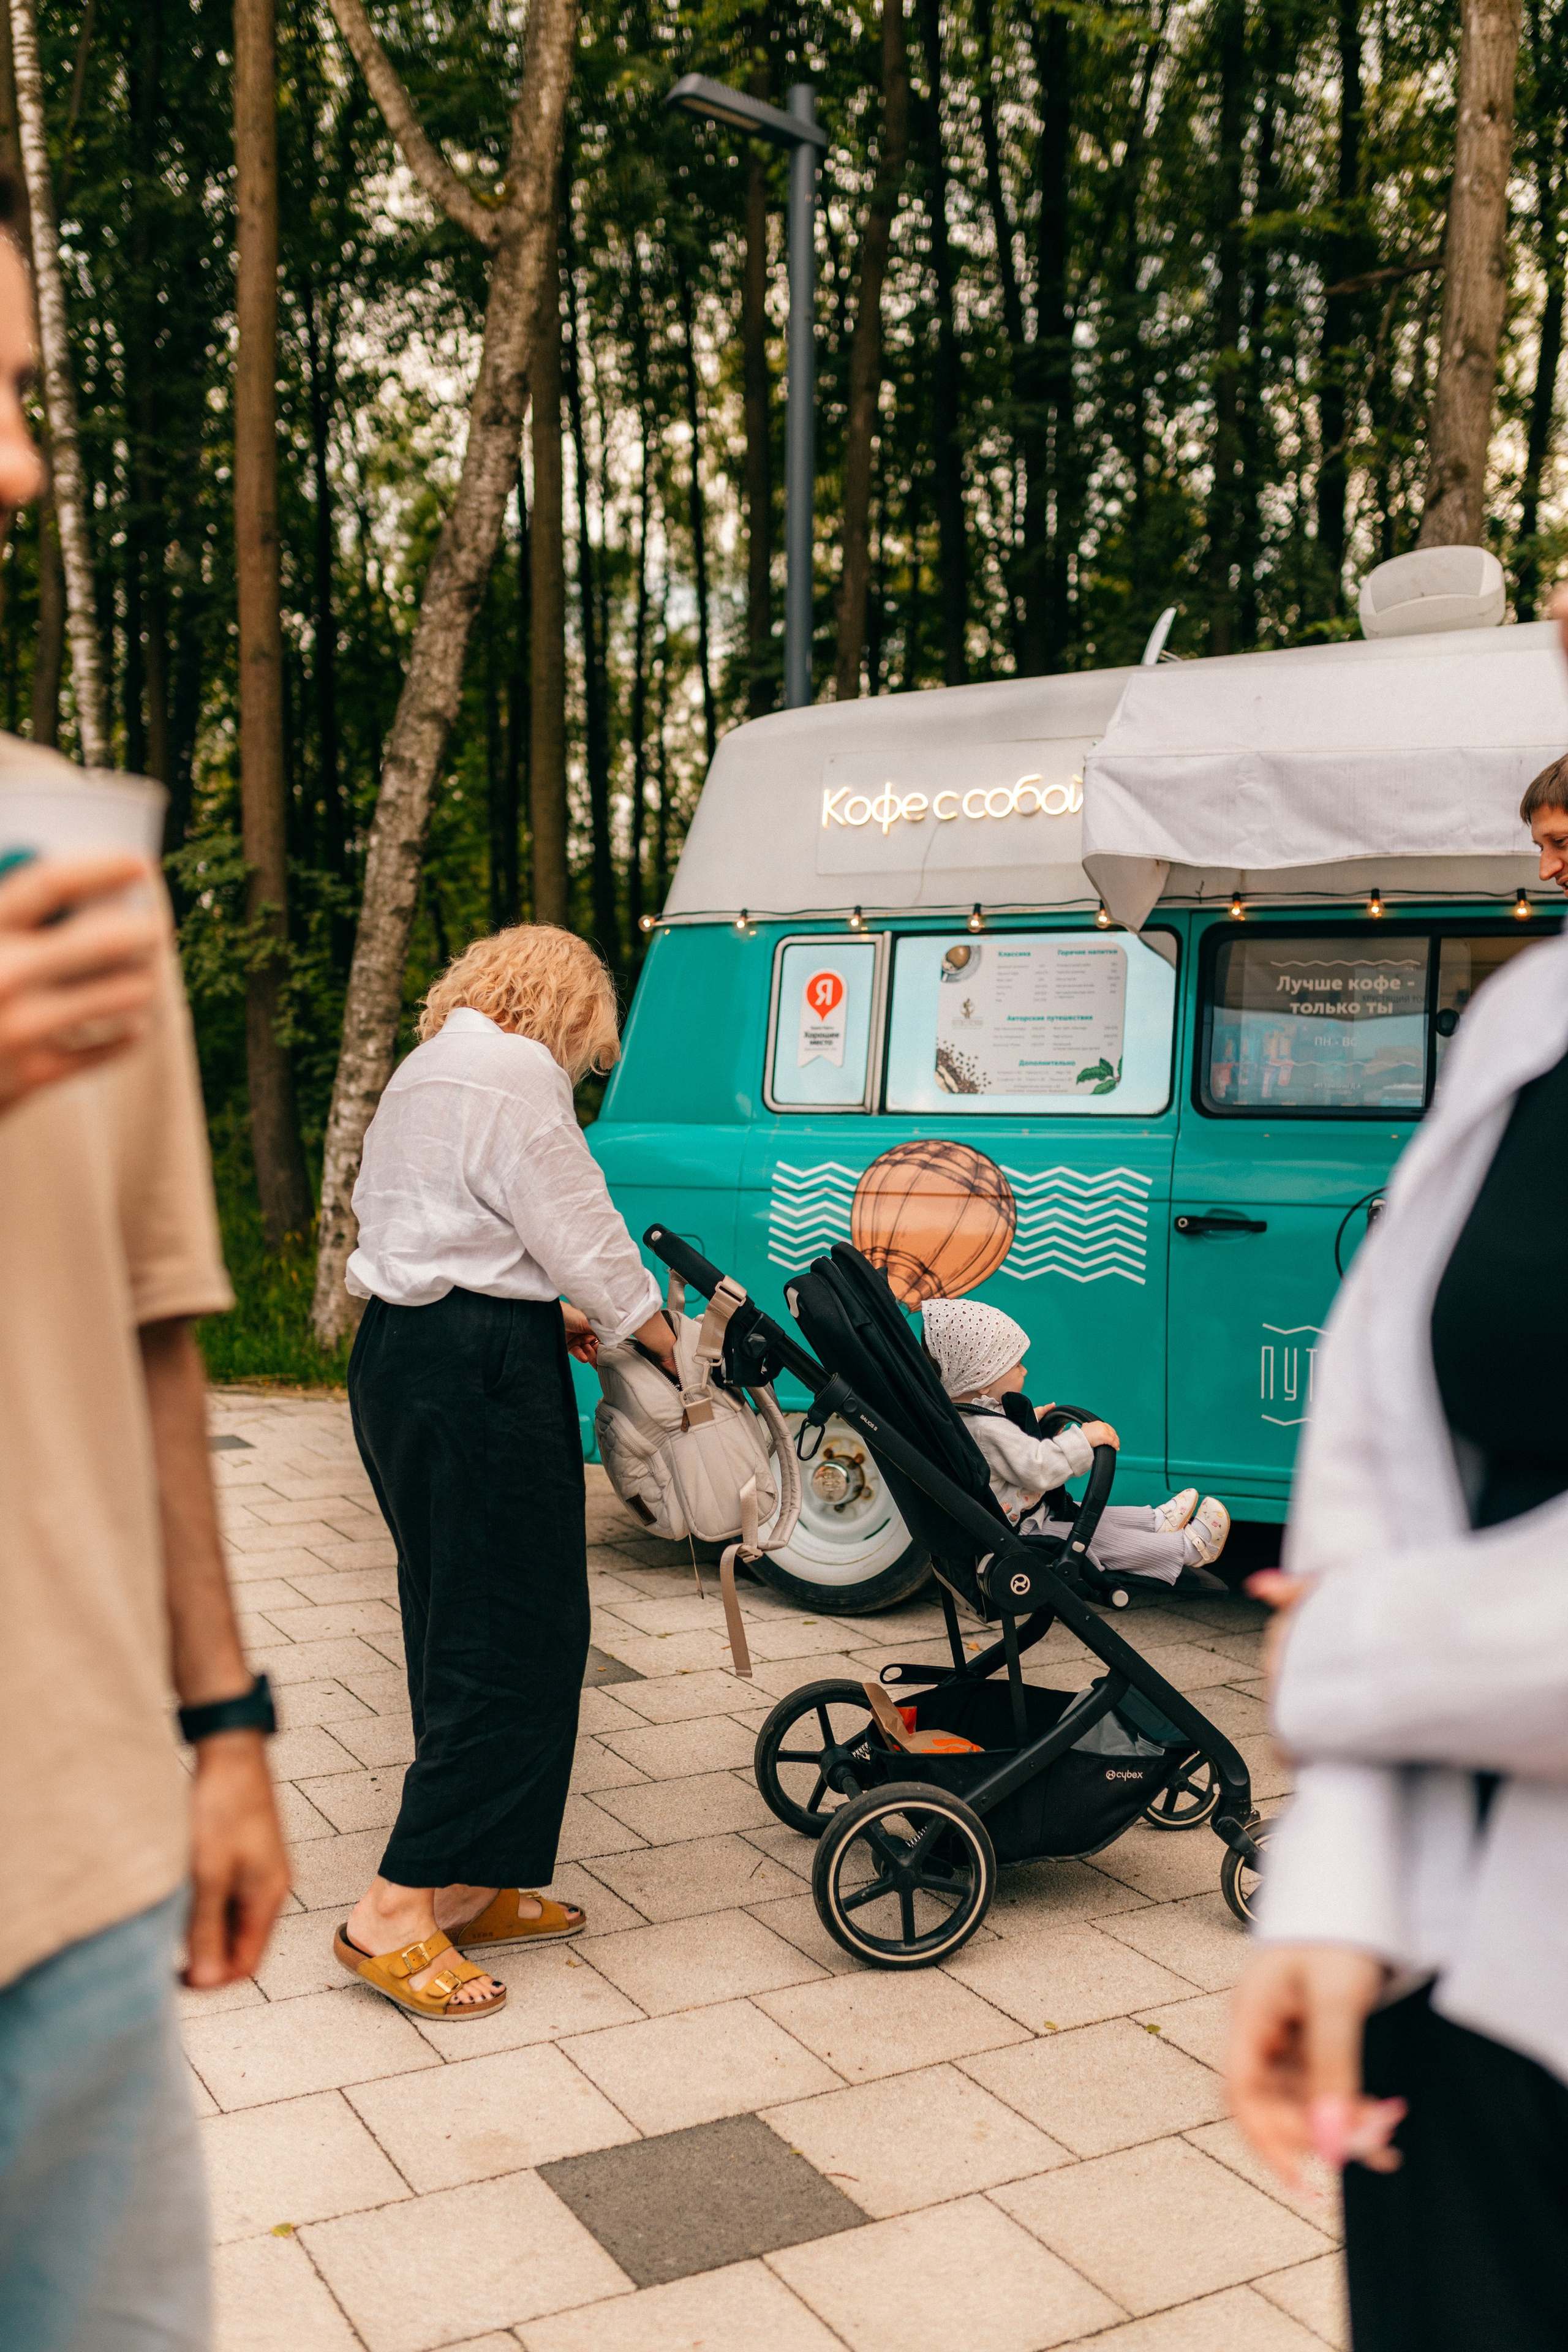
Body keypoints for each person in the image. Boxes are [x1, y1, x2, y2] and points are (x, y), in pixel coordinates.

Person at [0, 190, 291, 2352]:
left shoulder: (73, 850)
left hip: (79, 1863)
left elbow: (156, 1331)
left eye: (20, 396)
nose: (19, 467)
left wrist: (227, 1727)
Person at [1227, 739, 1568, 2350]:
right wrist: (1339, 1879)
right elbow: (1383, 1432)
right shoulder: (1528, 1018)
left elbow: (1352, 1623)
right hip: (1458, 1982)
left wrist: (1352, 1665)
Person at [337, 923, 677, 2019]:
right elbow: (578, 1218)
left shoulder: (429, 1066)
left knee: (460, 1622)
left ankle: (473, 1880)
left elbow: (430, 1222)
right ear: (566, 1007)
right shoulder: (517, 1068)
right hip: (476, 1370)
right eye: (591, 1039)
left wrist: (545, 1311)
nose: (582, 1062)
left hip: (404, 1353)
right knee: (510, 1636)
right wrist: (653, 1330)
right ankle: (393, 1910)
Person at [921, 1296, 1231, 1586]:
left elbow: (1008, 1456)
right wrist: (1083, 1440)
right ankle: (1187, 1548)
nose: (1024, 1370)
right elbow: (1039, 1467)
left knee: (1084, 1513)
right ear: (982, 1377)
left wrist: (1032, 1429)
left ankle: (1155, 1520)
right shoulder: (987, 1430)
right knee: (1095, 1537)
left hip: (1022, 1516)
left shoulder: (965, 1418)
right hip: (1026, 1530)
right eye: (1016, 1365)